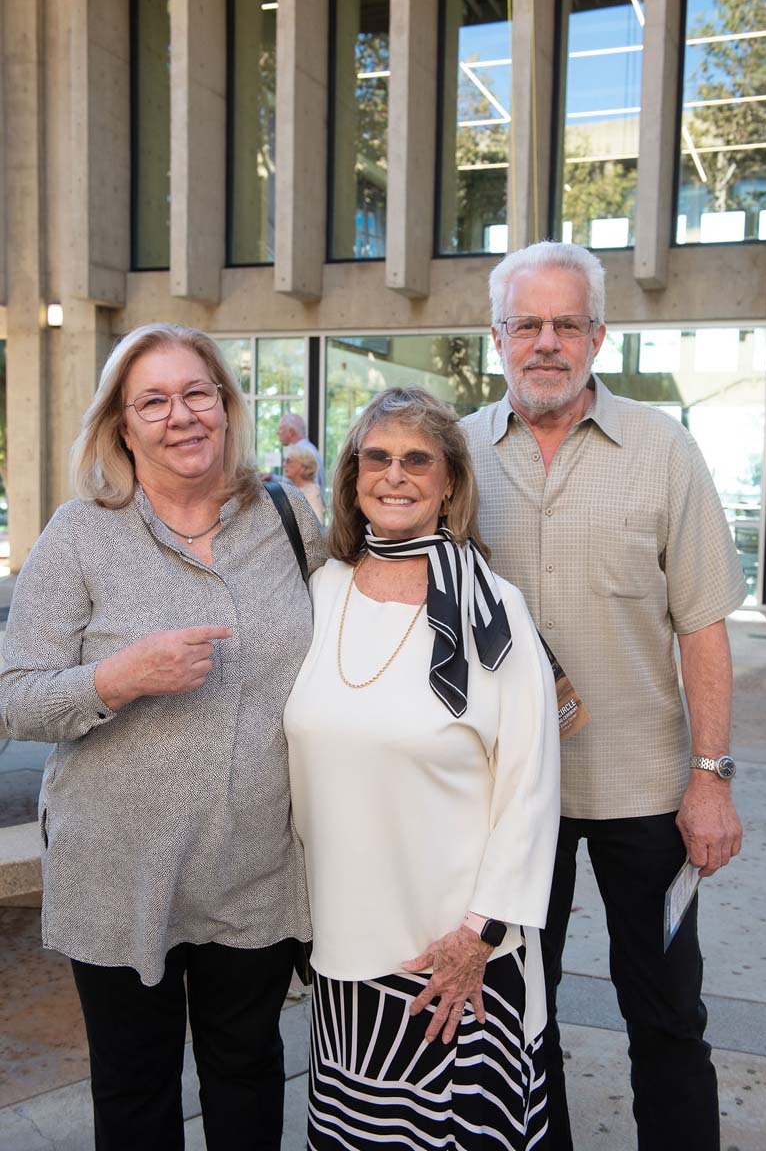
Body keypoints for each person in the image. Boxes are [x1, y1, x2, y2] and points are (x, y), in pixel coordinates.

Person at [0, 322, 326, 1151]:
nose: (180, 415)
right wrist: (118, 677)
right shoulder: (80, 534)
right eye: (153, 401)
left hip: (254, 868)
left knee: (248, 1071)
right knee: (136, 1086)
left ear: (225, 405)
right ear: (121, 424)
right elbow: (13, 700)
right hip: (119, 871)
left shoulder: (285, 518)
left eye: (195, 393)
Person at [461, 241, 747, 1151]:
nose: (546, 343)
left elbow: (701, 626)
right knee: (516, 1020)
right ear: (497, 337)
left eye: (566, 324)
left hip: (644, 791)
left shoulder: (663, 449)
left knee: (667, 1015)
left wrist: (710, 778)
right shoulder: (454, 455)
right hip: (507, 800)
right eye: (526, 325)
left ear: (598, 335)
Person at [285, 386, 561, 1150]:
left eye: (417, 460)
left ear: (449, 482)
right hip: (343, 944)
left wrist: (478, 935)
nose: (395, 475)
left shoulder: (494, 610)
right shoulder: (318, 594)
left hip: (456, 953)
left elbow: (531, 787)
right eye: (376, 458)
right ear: (352, 478)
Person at [278, 411, 326, 491]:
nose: (278, 432)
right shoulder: (307, 449)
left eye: (280, 429)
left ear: (291, 432)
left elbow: (310, 483)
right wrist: (273, 478)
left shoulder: (305, 452)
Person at [283, 444, 325, 523]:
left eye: (289, 461)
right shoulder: (301, 489)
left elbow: (316, 525)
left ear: (303, 466)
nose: (284, 465)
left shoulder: (311, 492)